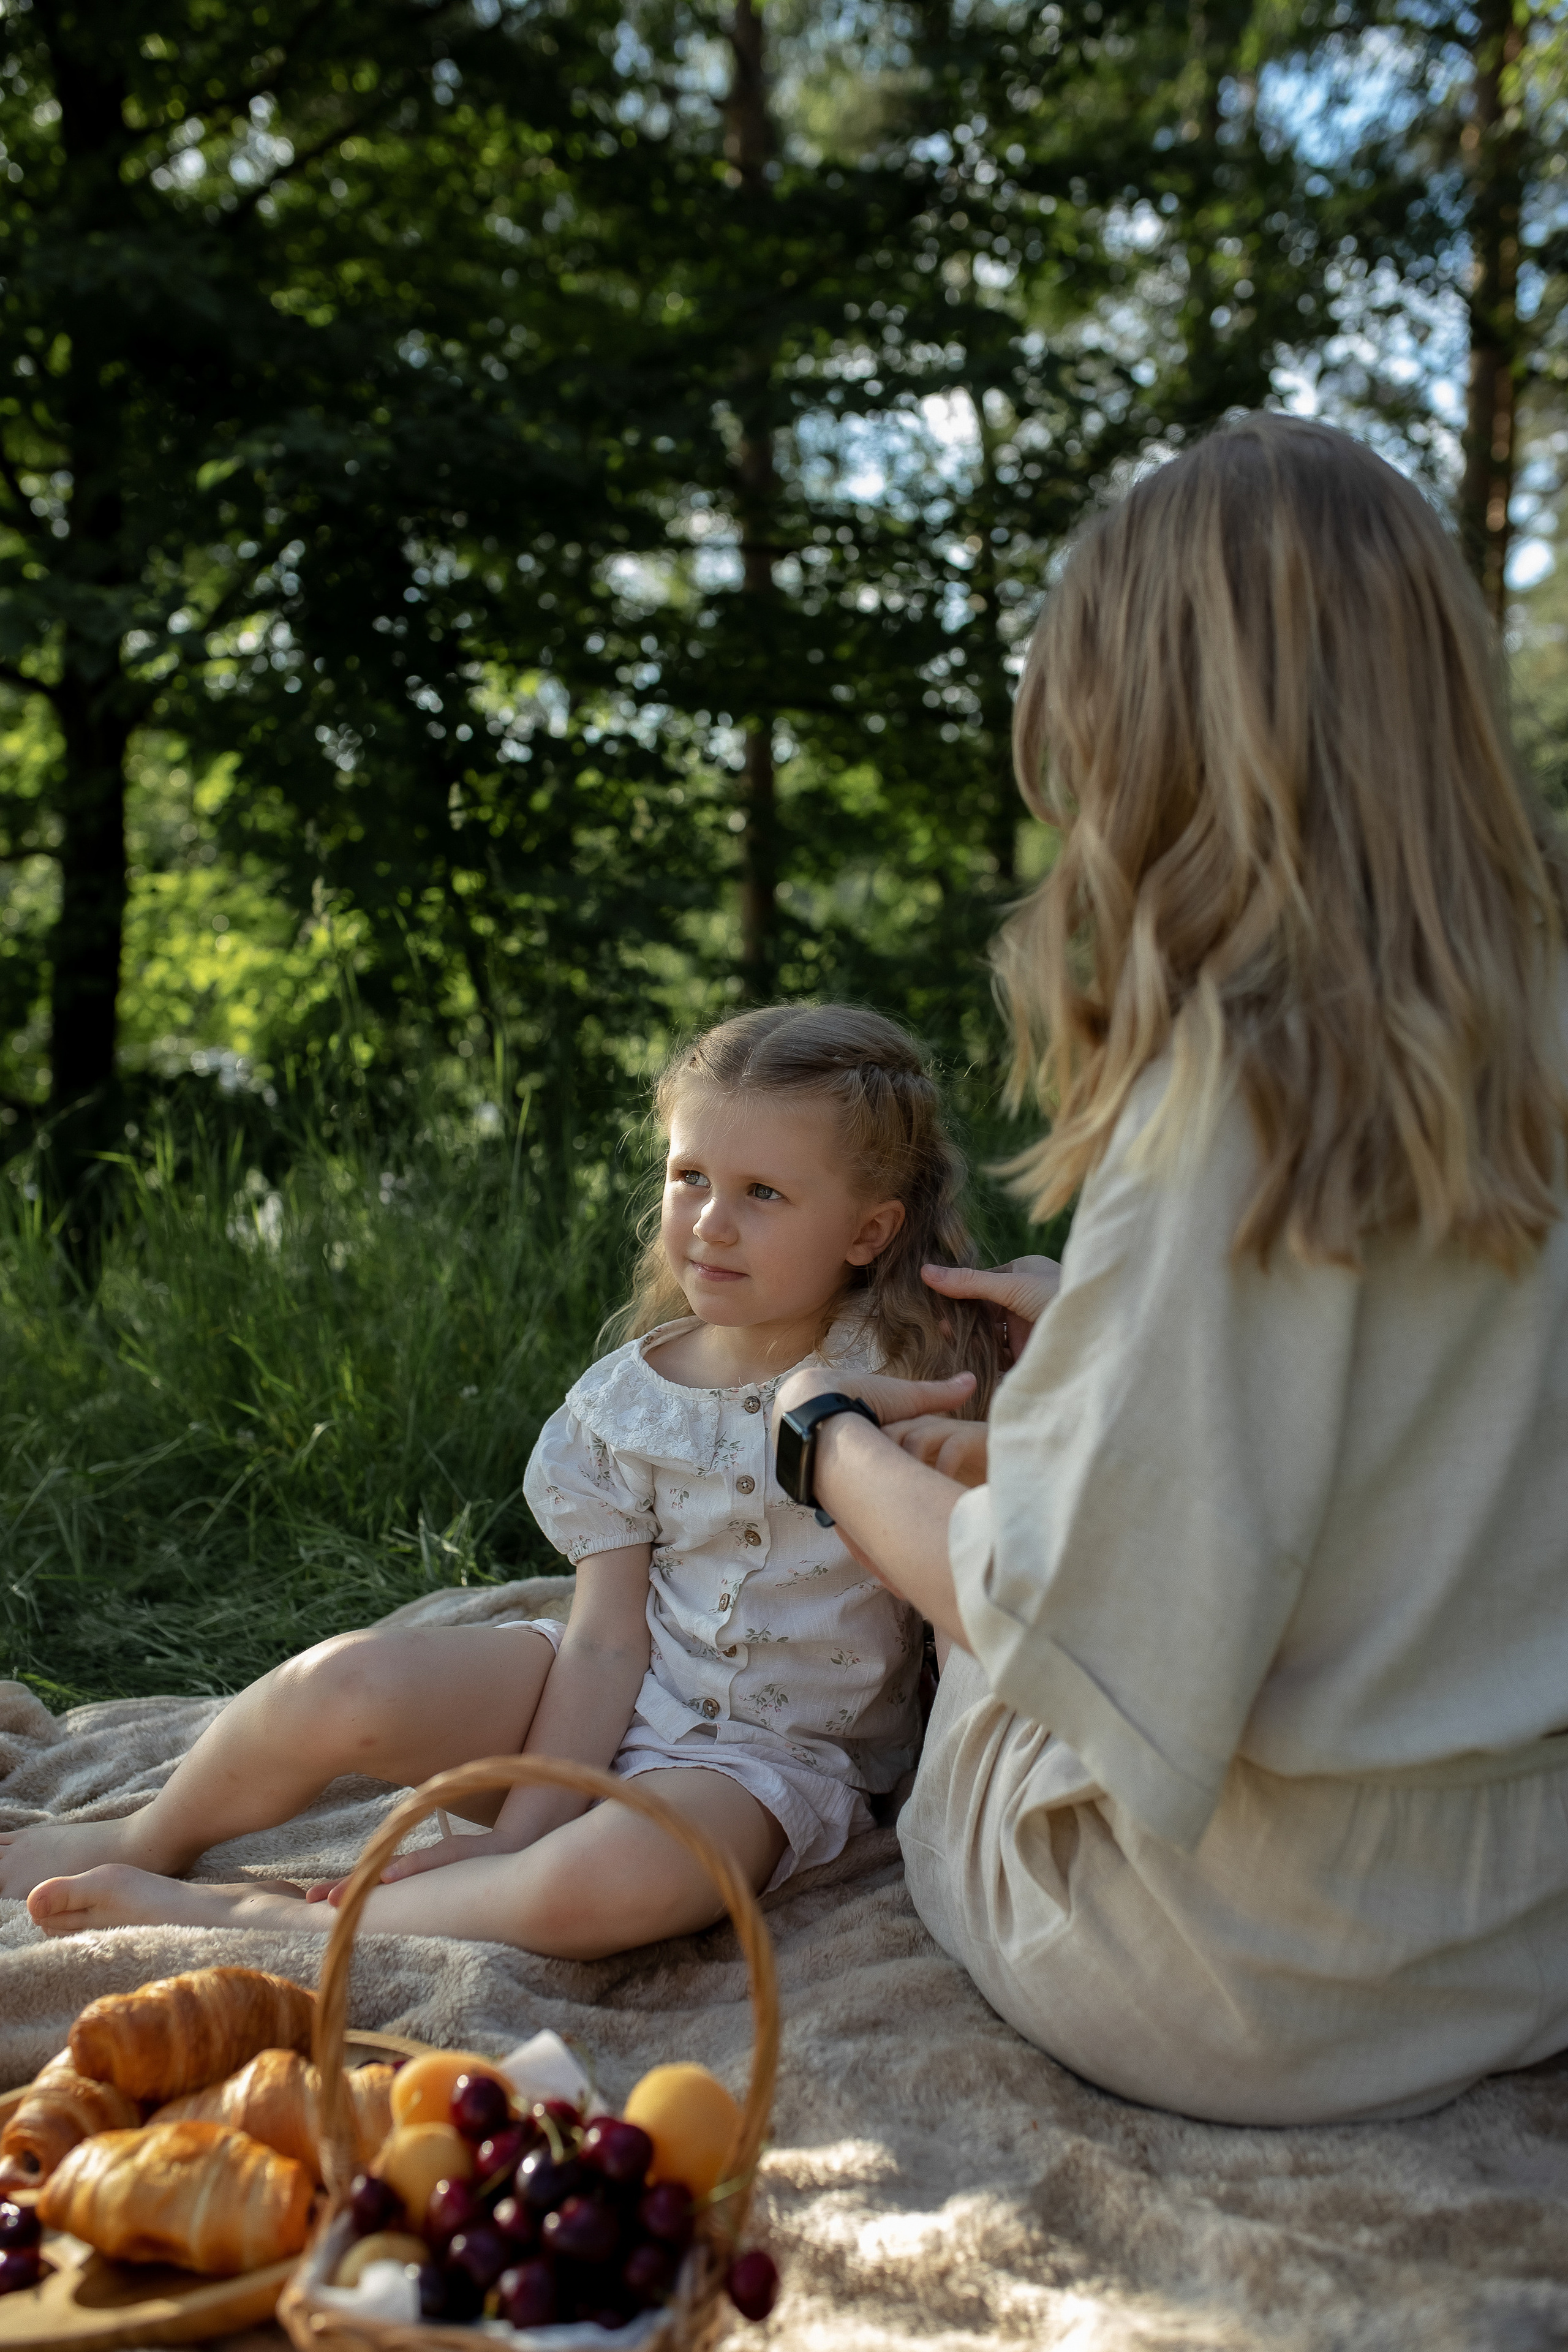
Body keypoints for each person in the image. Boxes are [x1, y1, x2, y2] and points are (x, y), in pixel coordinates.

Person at [773, 414, 1568, 2125]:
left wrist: (827, 1440)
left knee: (970, 1672)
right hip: (1529, 1915)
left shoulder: (1238, 1090)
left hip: (1248, 1975)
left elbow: (1042, 1614)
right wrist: (1089, 1388)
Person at [1, 1005, 994, 1953]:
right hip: (614, 1689)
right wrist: (524, 1820)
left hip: (767, 1763)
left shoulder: (912, 1369)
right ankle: (145, 1838)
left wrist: (539, 1845)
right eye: (689, 1175)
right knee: (344, 1680)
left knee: (596, 1884)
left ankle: (267, 1921)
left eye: (763, 1193)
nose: (710, 1223)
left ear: (868, 1232)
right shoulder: (627, 1401)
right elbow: (605, 1644)